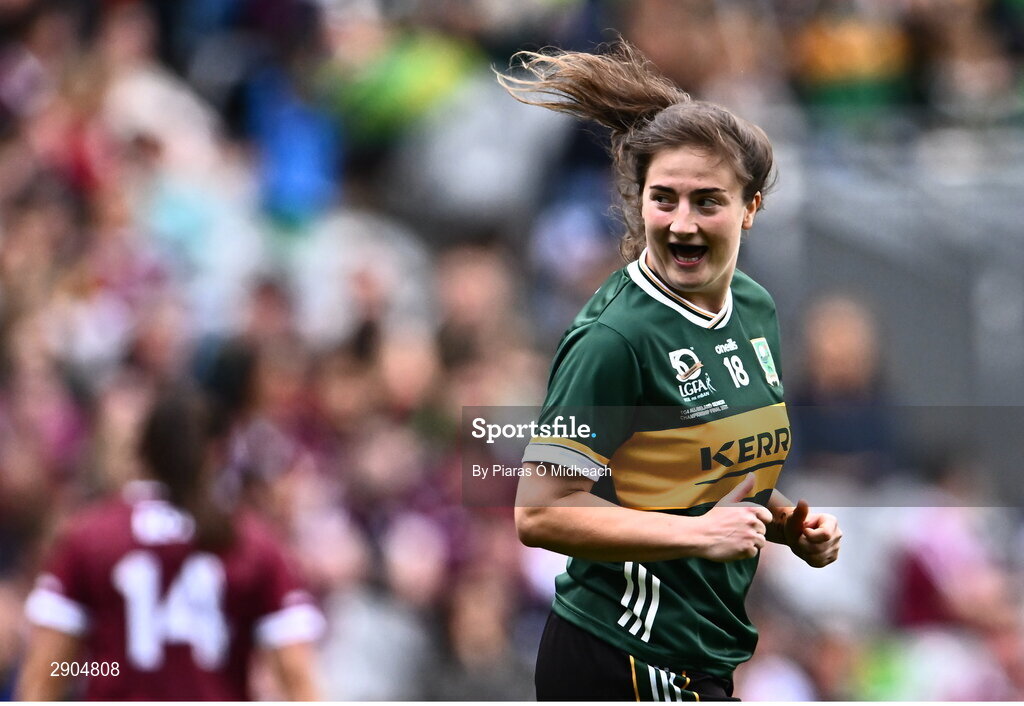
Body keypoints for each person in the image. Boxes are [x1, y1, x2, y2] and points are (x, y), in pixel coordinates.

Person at [498, 43, 842, 701]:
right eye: (665, 199)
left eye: (707, 202)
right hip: (621, 657)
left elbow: (707, 473)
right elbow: (539, 513)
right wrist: (697, 534)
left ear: (751, 207)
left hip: (698, 658)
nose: (681, 224)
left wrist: (790, 524)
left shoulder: (754, 308)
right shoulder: (615, 338)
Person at [15, 388, 324, 701]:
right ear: (218, 452)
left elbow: (49, 669)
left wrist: (100, 666)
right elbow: (295, 674)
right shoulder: (251, 543)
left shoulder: (91, 538)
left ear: (142, 451)